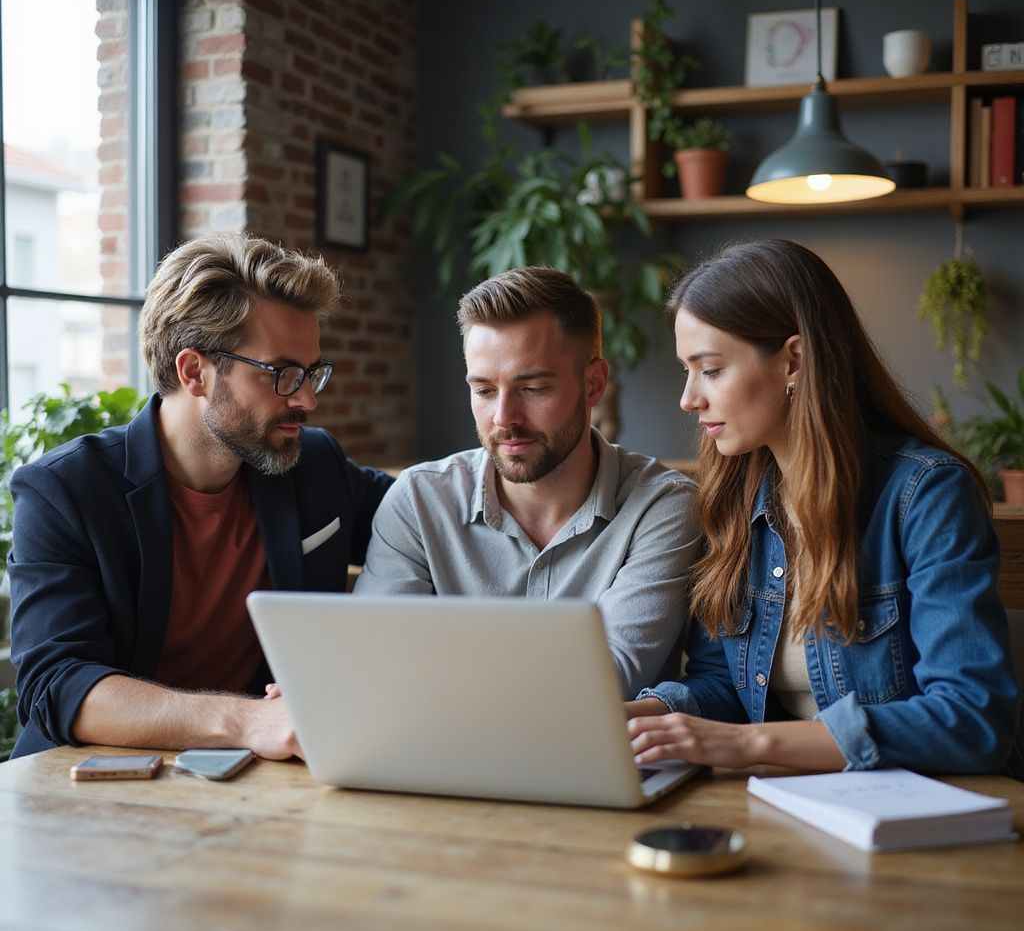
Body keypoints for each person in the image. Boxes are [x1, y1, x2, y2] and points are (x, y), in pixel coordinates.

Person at [627, 239, 1020, 775]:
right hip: (787, 799)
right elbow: (722, 684)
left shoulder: (925, 494)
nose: (689, 398)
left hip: (919, 811)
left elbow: (972, 718)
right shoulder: (733, 497)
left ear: (793, 360)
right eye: (686, 371)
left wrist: (752, 746)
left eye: (711, 369)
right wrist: (642, 717)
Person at [8, 233, 392, 760]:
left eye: (311, 373)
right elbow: (57, 685)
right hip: (94, 789)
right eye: (282, 374)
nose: (306, 399)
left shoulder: (313, 463)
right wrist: (249, 720)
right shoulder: (65, 491)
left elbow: (426, 518)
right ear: (195, 372)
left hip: (256, 785)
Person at [354, 266, 701, 696]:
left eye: (533, 388)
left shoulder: (662, 506)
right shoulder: (417, 500)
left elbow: (609, 676)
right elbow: (378, 662)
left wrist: (433, 676)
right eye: (483, 391)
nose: (504, 419)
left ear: (593, 384)